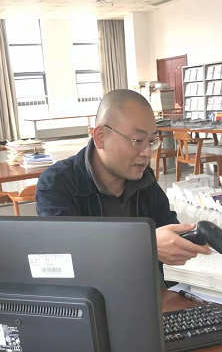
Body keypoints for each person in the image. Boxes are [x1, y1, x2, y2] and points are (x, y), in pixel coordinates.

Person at [35, 89, 210, 266]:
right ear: (100, 137)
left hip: (146, 283)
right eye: (137, 141)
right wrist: (145, 244)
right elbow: (65, 254)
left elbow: (167, 229)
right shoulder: (57, 183)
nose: (147, 152)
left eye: (152, 141)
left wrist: (192, 239)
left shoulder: (145, 179)